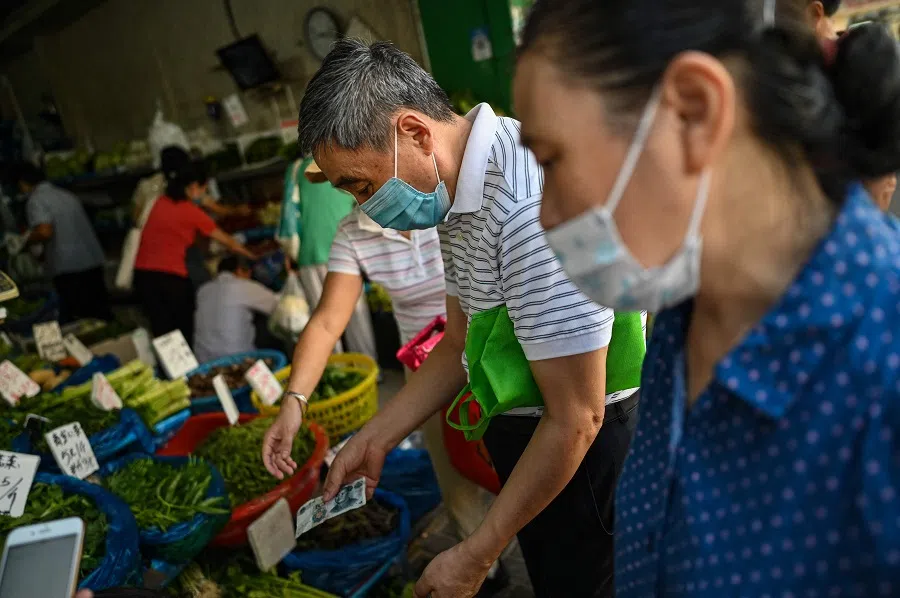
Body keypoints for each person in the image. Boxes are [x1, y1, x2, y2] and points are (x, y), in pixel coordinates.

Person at [514, 0, 900, 595]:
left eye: (552, 160)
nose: (544, 217)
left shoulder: (880, 382)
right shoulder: (683, 311)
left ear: (693, 112)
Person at [267, 40, 646, 598]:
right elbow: (458, 342)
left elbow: (577, 418)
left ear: (415, 133)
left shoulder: (528, 207)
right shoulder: (453, 189)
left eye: (361, 185)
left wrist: (477, 552)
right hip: (536, 437)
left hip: (585, 460)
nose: (361, 207)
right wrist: (376, 438)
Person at [261, 205, 499, 588]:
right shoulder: (353, 234)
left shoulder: (445, 202)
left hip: (491, 354)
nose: (353, 195)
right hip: (428, 371)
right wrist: (294, 401)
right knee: (455, 478)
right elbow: (326, 322)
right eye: (343, 186)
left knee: (513, 461)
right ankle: (485, 571)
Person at [133, 156, 255, 347]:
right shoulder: (191, 212)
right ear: (193, 187)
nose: (205, 193)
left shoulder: (162, 202)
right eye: (204, 188)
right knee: (184, 329)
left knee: (163, 333)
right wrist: (253, 255)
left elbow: (209, 209)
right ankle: (192, 371)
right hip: (169, 278)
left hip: (143, 277)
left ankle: (172, 373)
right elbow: (229, 242)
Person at [282, 157, 376, 357]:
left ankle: (337, 368)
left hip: (310, 253)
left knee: (323, 319)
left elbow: (288, 216)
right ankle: (368, 366)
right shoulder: (347, 160)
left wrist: (289, 253)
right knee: (356, 313)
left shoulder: (296, 169)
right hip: (347, 248)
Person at [13, 162, 112, 323]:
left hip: (68, 267)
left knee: (81, 319)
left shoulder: (36, 200)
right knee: (101, 314)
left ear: (22, 183)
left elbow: (45, 231)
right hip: (91, 261)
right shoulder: (66, 195)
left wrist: (24, 240)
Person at [193, 255, 278, 362]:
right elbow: (278, 305)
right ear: (239, 271)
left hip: (203, 361)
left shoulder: (203, 290)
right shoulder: (244, 285)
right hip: (238, 361)